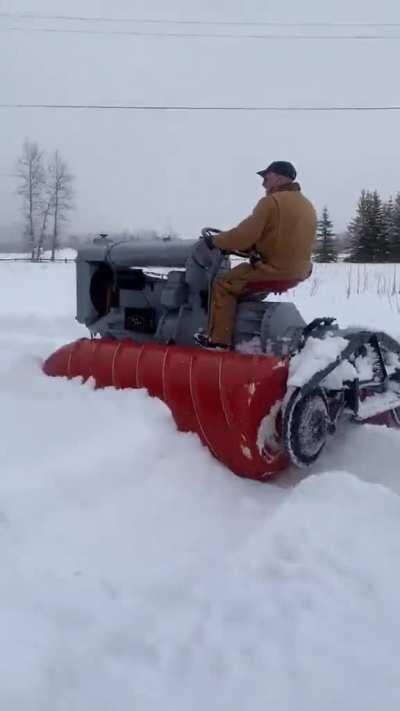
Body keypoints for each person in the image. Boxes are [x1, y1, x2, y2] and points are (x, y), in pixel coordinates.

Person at [194, 161, 317, 350]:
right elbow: (278, 239)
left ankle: (218, 340)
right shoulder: (307, 205)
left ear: (277, 177)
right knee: (241, 275)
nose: (263, 184)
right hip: (299, 271)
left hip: (273, 270)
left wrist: (215, 241)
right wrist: (252, 249)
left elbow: (243, 236)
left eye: (266, 178)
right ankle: (240, 328)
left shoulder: (271, 202)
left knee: (223, 285)